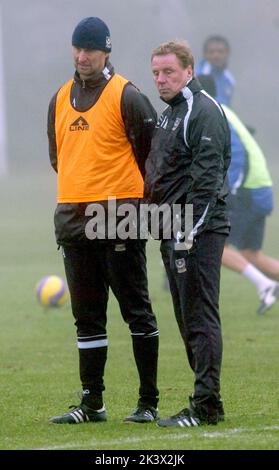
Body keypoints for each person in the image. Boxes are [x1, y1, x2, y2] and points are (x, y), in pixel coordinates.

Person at [47, 16, 159, 425]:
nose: (82, 56)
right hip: (73, 223)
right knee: (87, 317)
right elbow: (59, 158)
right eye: (77, 48)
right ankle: (92, 403)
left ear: (106, 51)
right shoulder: (59, 97)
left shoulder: (126, 95)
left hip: (119, 219)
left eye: (90, 50)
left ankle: (148, 402)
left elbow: (152, 155)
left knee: (136, 311)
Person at [144, 40, 231, 427]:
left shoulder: (203, 112)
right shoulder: (170, 113)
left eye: (169, 72)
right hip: (172, 231)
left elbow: (207, 182)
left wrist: (188, 235)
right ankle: (207, 400)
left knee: (199, 316)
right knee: (186, 318)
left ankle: (206, 405)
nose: (161, 80)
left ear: (189, 71)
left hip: (196, 232)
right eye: (156, 73)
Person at [197, 74, 279, 315]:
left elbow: (238, 155)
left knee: (213, 243)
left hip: (248, 193)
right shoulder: (223, 110)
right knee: (250, 254)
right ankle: (266, 284)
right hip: (259, 189)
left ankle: (265, 285)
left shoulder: (216, 113)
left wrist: (225, 191)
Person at [196, 35, 235, 106]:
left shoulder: (229, 79)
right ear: (205, 54)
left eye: (220, 52)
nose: (216, 55)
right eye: (211, 52)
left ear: (227, 53)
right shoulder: (197, 76)